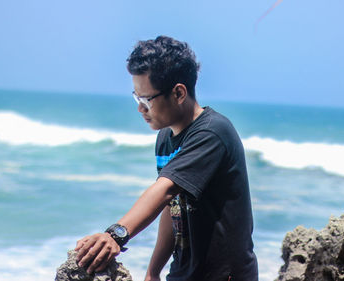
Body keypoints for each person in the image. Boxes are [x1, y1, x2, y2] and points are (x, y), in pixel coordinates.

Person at [75, 35, 258, 281]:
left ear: (179, 93)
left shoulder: (212, 133)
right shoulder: (165, 137)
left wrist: (116, 234)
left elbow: (165, 190)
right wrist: (153, 271)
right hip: (183, 273)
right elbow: (172, 207)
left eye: (146, 100)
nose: (140, 108)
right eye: (136, 98)